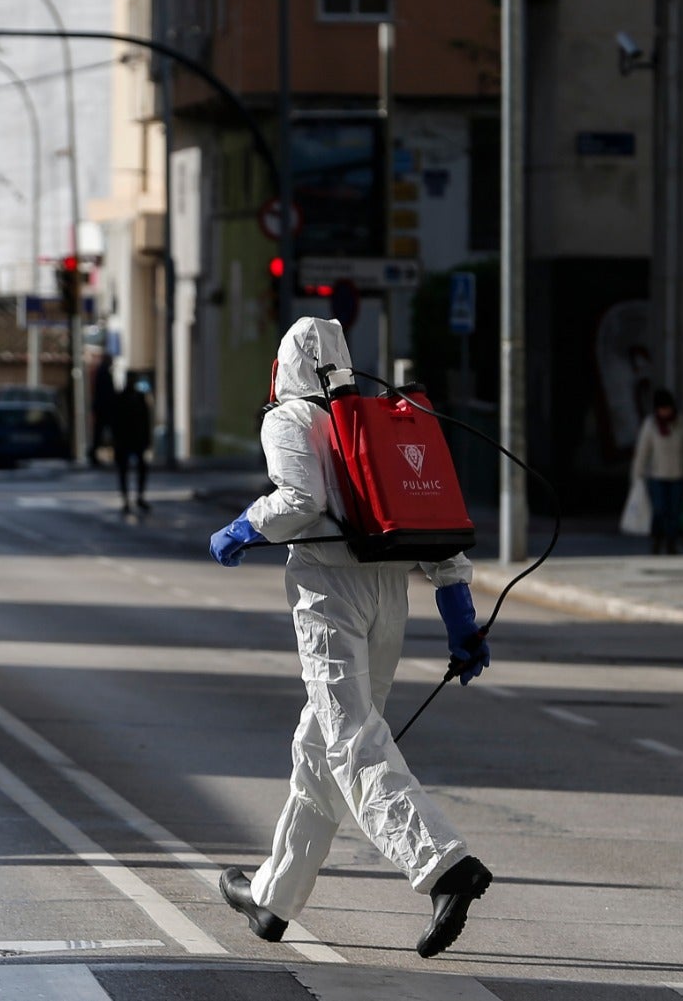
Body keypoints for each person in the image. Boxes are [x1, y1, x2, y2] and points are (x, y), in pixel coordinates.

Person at [207, 317, 493, 959]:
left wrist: (242, 527)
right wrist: (461, 618)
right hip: (389, 594)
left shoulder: (289, 418)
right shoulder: (374, 420)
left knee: (350, 742)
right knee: (320, 746)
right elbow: (432, 513)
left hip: (327, 594)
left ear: (283, 368)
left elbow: (300, 500)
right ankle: (273, 899)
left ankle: (445, 866)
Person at [631, 388, 683, 555]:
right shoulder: (650, 425)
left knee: (674, 512)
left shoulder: (682, 424)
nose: (665, 412)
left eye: (667, 408)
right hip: (657, 477)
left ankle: (671, 544)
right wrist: (637, 475)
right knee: (659, 510)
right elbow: (643, 451)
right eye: (662, 408)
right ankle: (657, 540)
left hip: (678, 476)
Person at [112, 376, 152, 514]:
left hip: (135, 439)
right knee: (124, 470)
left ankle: (138, 497)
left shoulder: (139, 398)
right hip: (126, 439)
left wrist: (147, 439)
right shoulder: (121, 398)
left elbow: (146, 420)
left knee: (139, 468)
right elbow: (115, 421)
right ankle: (127, 499)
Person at [89, 353, 116, 466]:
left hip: (102, 407)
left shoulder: (102, 372)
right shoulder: (104, 373)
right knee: (104, 432)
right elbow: (107, 392)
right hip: (105, 408)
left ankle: (93, 453)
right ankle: (93, 453)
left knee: (99, 432)